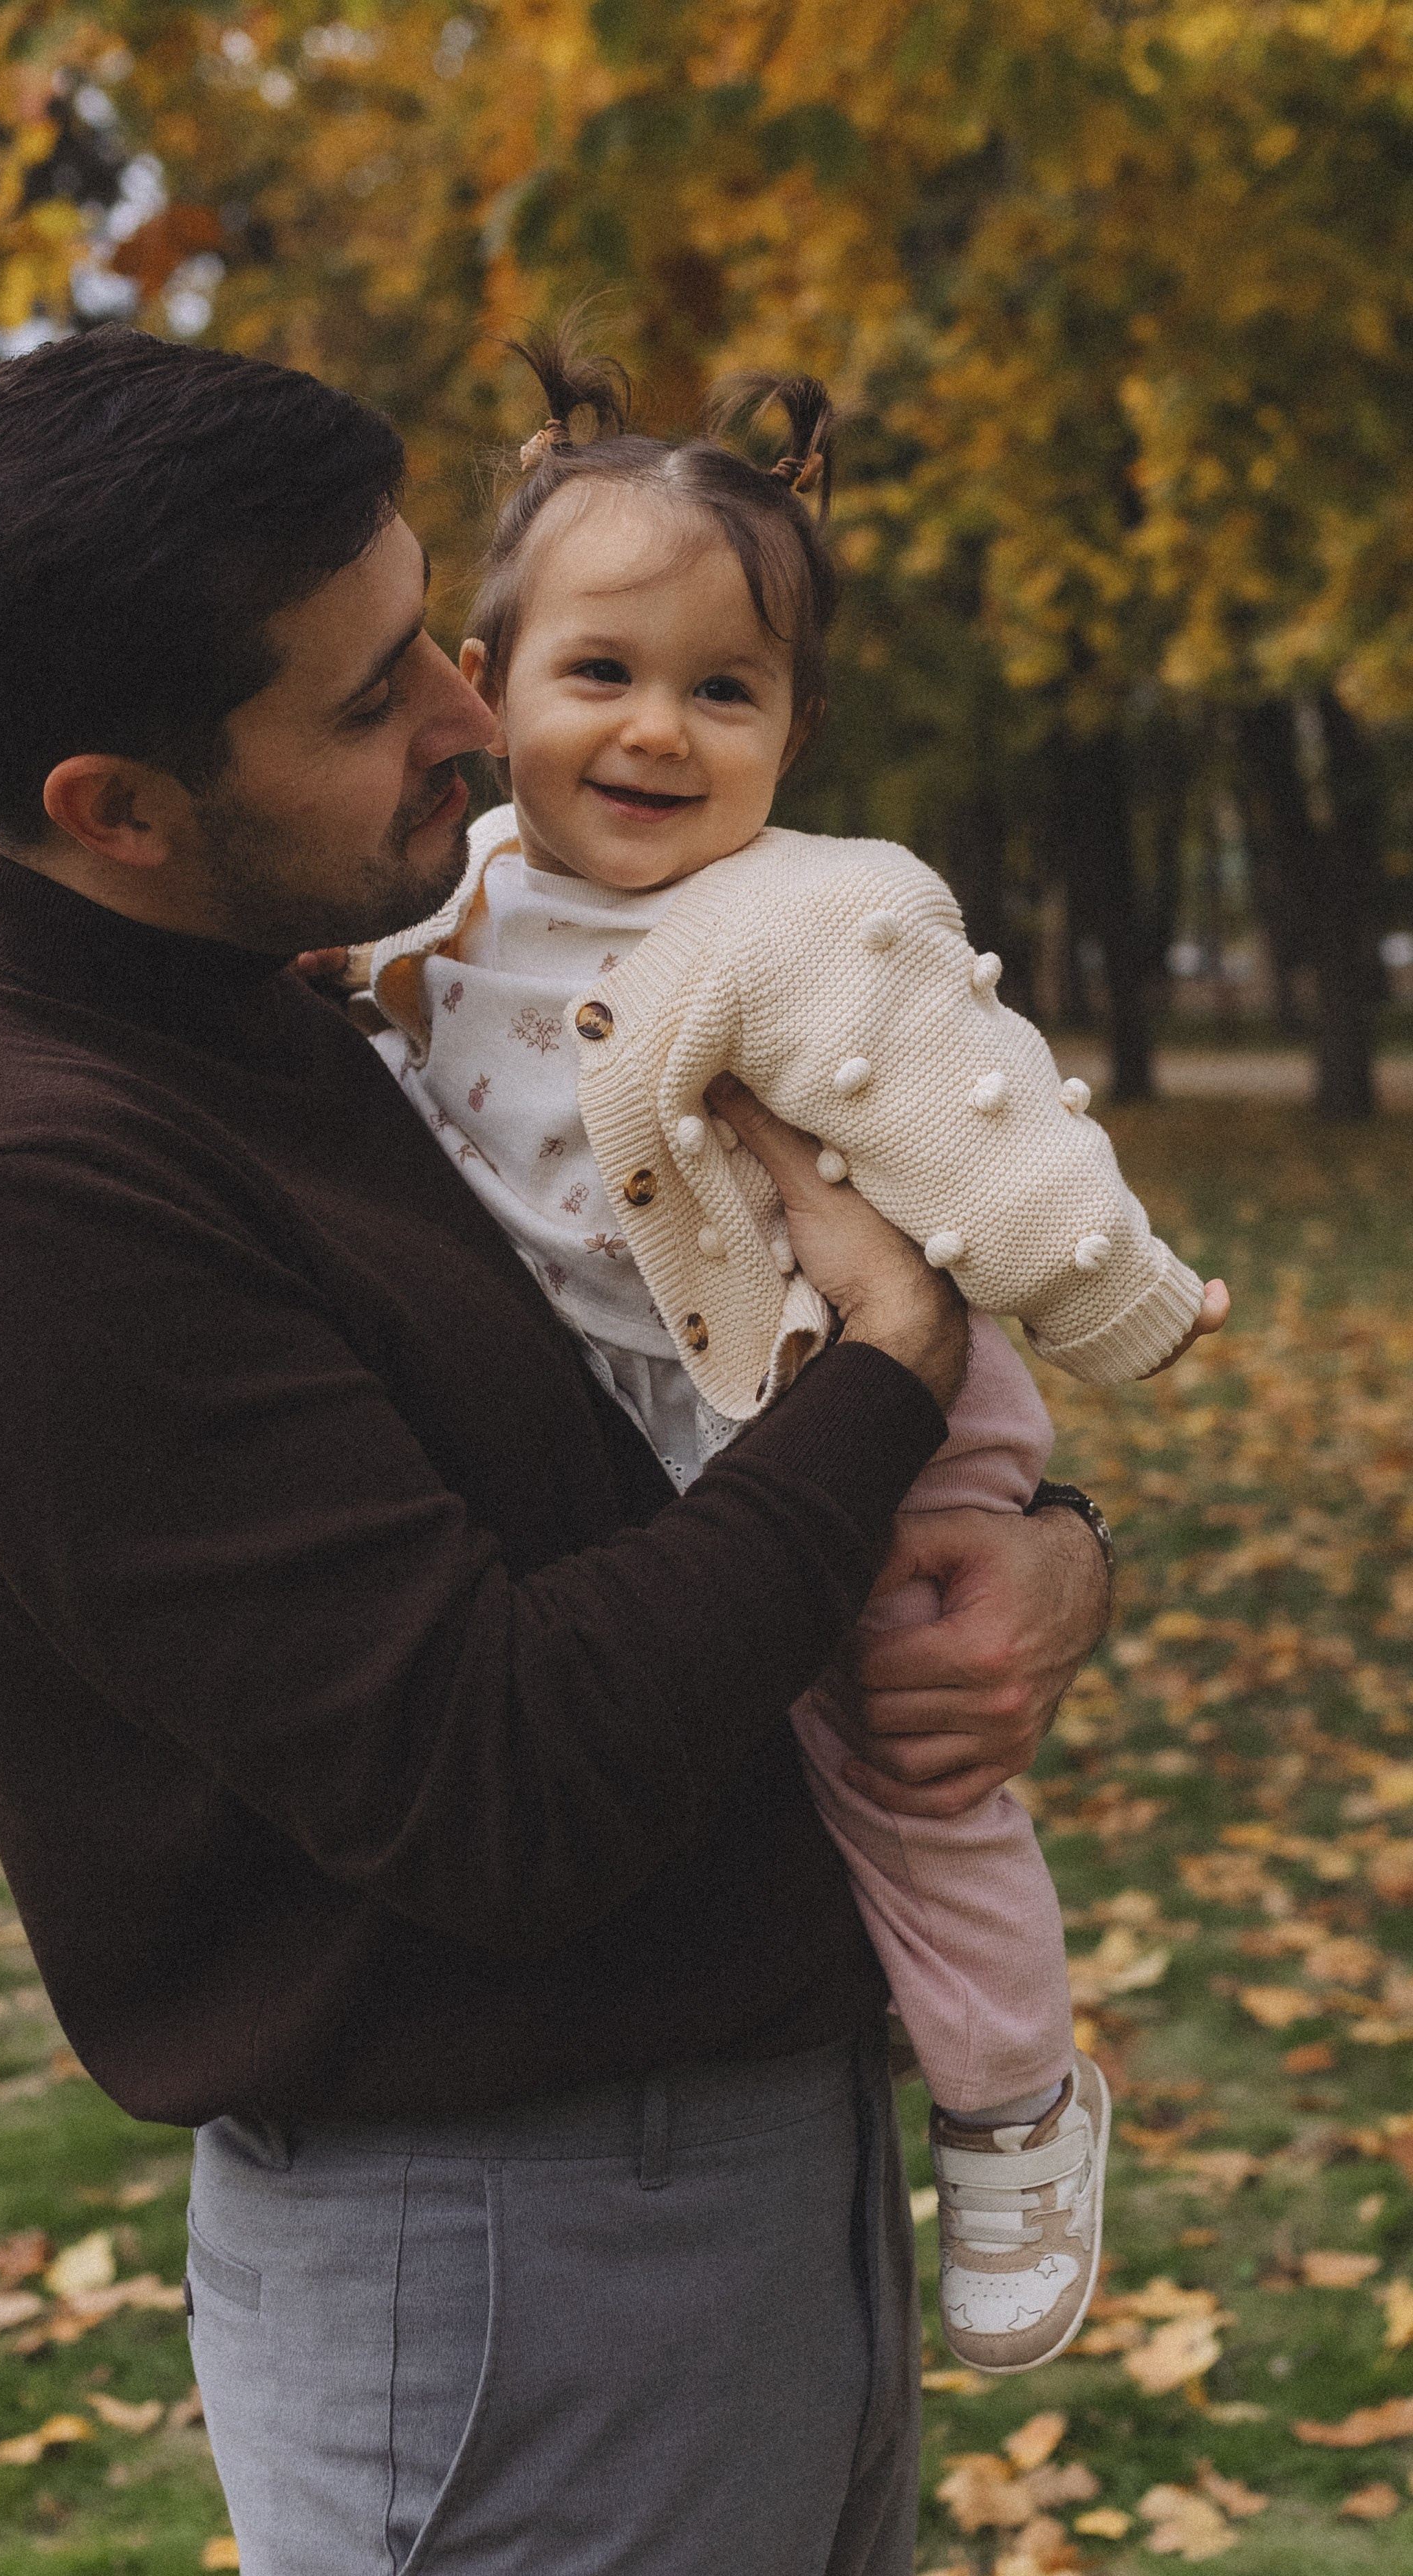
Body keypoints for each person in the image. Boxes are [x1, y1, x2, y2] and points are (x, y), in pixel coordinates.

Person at [0, 325, 1112, 2575]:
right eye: (367, 699)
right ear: (115, 807)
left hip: (757, 2167)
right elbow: (498, 1782)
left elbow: (671, 1417)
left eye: (434, 623)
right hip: (515, 2261)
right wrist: (895, 1371)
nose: (470, 709)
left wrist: (1046, 1542)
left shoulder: (341, 984)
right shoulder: (27, 1184)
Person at [368, 329, 1229, 2377]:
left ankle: (1015, 2100)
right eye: (602, 672)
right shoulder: (464, 890)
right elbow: (395, 1001)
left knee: (905, 1758)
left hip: (881, 1391)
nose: (658, 730)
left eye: (725, 690)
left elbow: (984, 1125)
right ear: (489, 685)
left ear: (796, 727)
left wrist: (1121, 1296)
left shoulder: (821, 918)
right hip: (697, 1407)